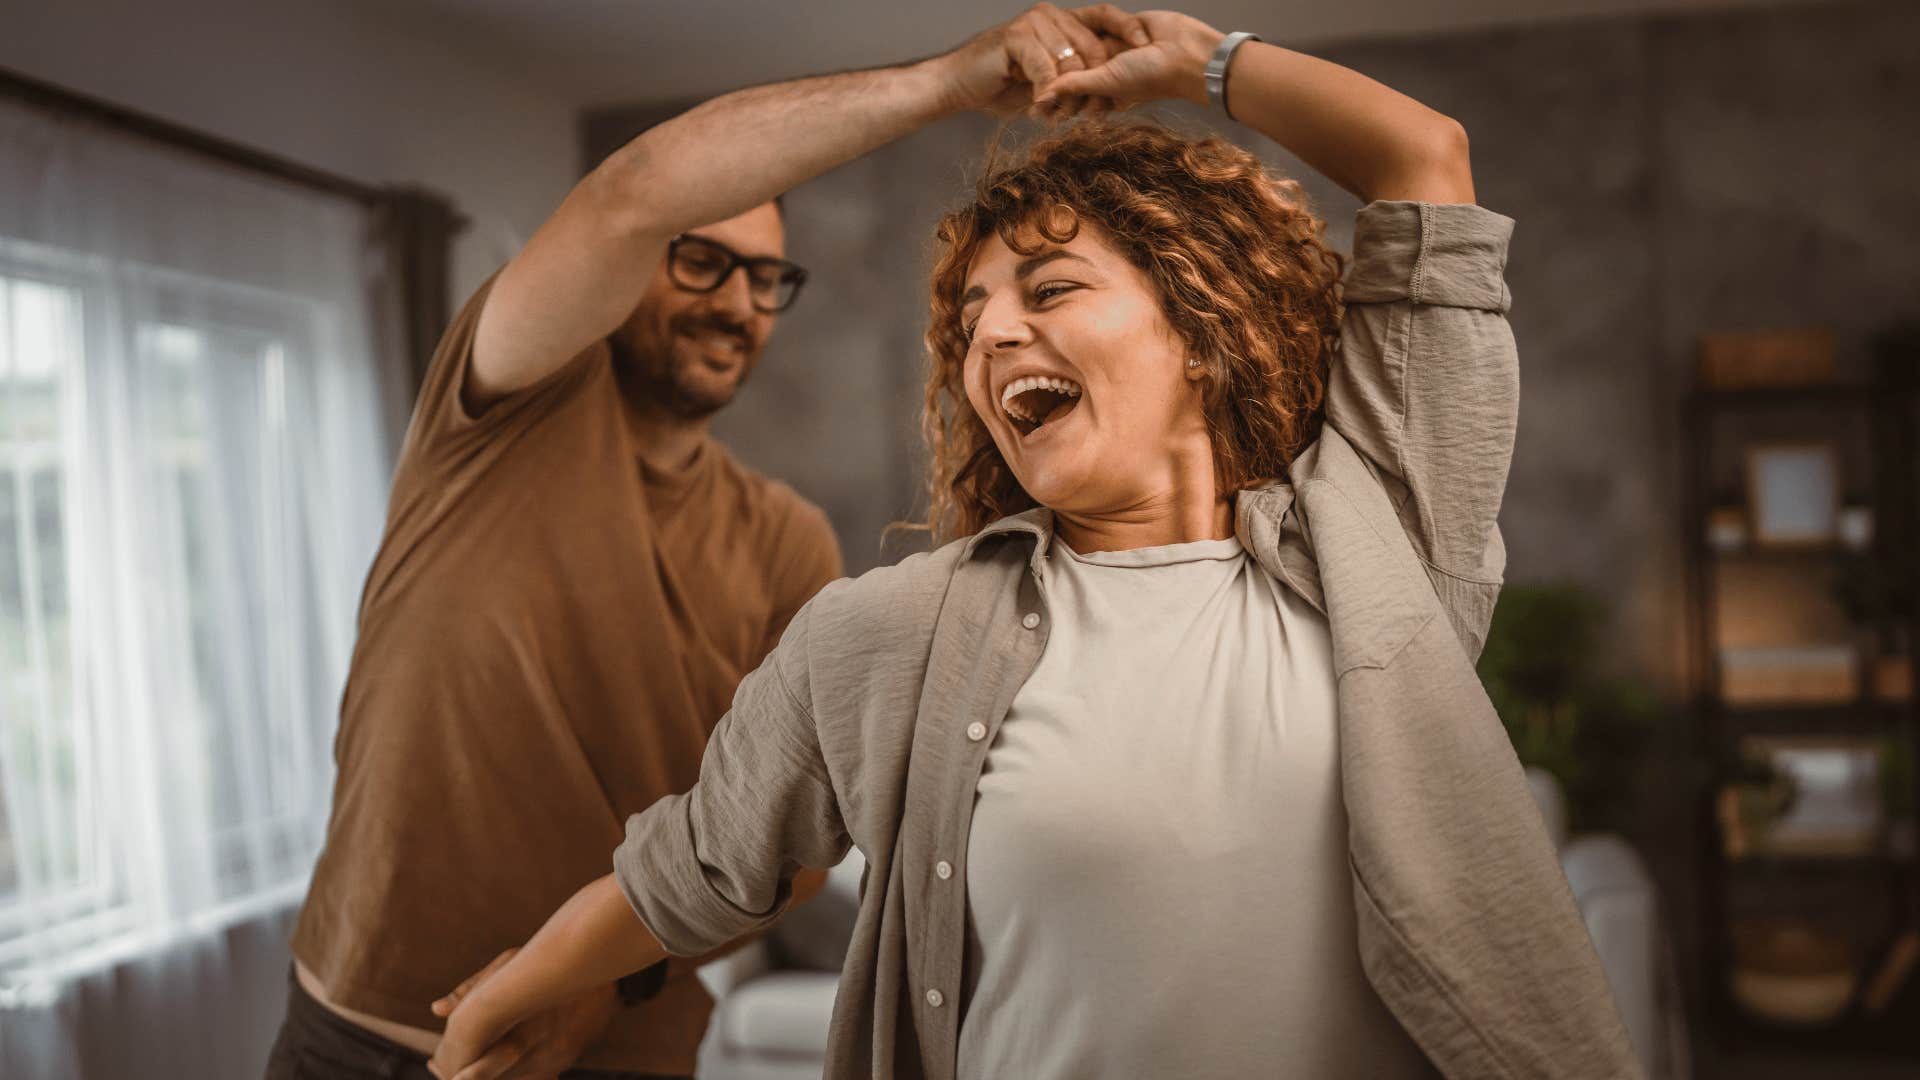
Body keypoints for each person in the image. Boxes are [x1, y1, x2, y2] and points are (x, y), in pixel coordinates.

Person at [428, 5, 1643, 1079]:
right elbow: (687, 868)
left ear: (1204, 325)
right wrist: (515, 990)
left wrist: (1202, 62)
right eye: (970, 320)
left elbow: (1423, 164)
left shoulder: (1377, 538)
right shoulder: (890, 632)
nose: (991, 338)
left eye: (1050, 290)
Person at [266, 74, 846, 1080]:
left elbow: (796, 847)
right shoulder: (501, 408)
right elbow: (627, 196)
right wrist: (955, 77)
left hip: (614, 1051)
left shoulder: (789, 540)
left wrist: (606, 977)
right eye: (703, 260)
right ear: (632, 267)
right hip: (352, 1036)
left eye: (766, 279)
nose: (737, 304)